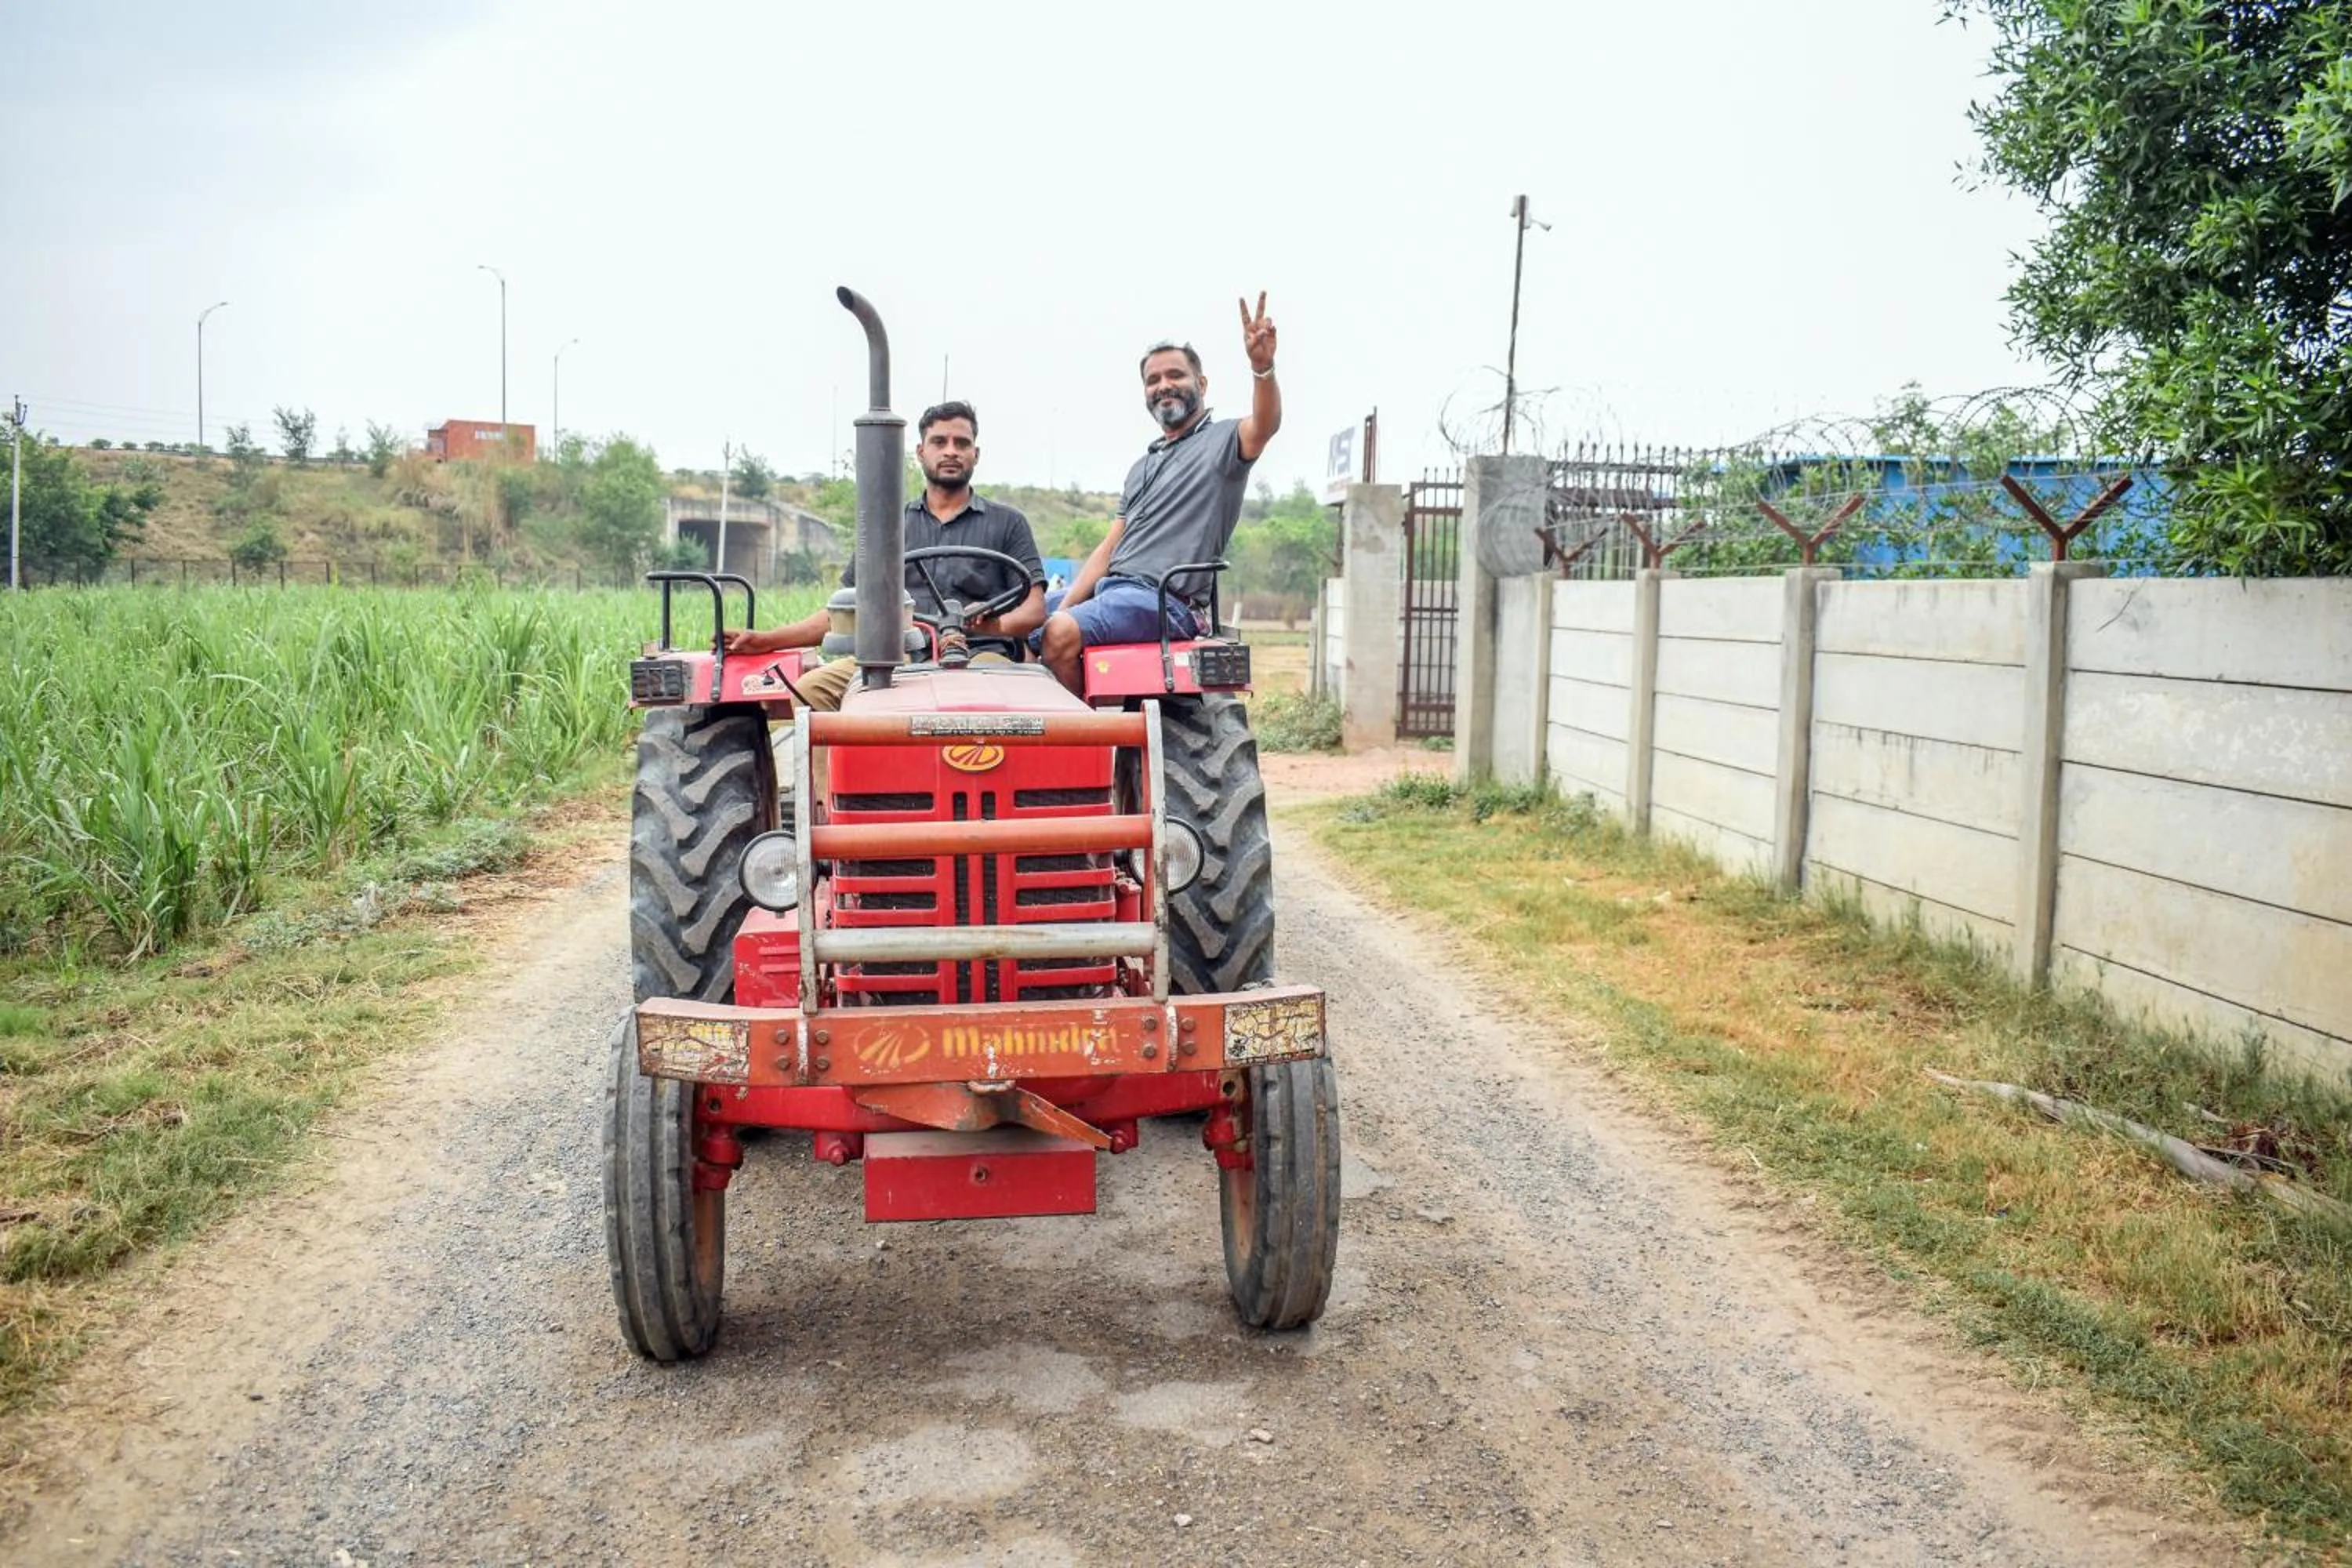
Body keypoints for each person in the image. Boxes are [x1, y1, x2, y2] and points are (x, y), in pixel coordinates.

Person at [721, 401, 1045, 709]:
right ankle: (837, 769)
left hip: (981, 654)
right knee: (810, 693)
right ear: (921, 452)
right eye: (939, 441)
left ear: (976, 454)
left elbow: (1034, 610)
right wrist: (766, 640)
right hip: (895, 655)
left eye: (961, 443)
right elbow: (847, 612)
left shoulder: (1008, 523)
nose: (950, 451)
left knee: (992, 697)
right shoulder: (887, 526)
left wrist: (993, 626)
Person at [1036, 292, 1281, 694]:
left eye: (1175, 375)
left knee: (1060, 632)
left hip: (1167, 602)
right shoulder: (1142, 467)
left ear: (1201, 384)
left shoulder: (1224, 443)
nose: (1164, 385)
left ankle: (1087, 745)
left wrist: (1262, 368)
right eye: (1153, 380)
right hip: (1112, 592)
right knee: (1021, 618)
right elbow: (1108, 550)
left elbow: (1266, 424)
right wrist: (1059, 607)